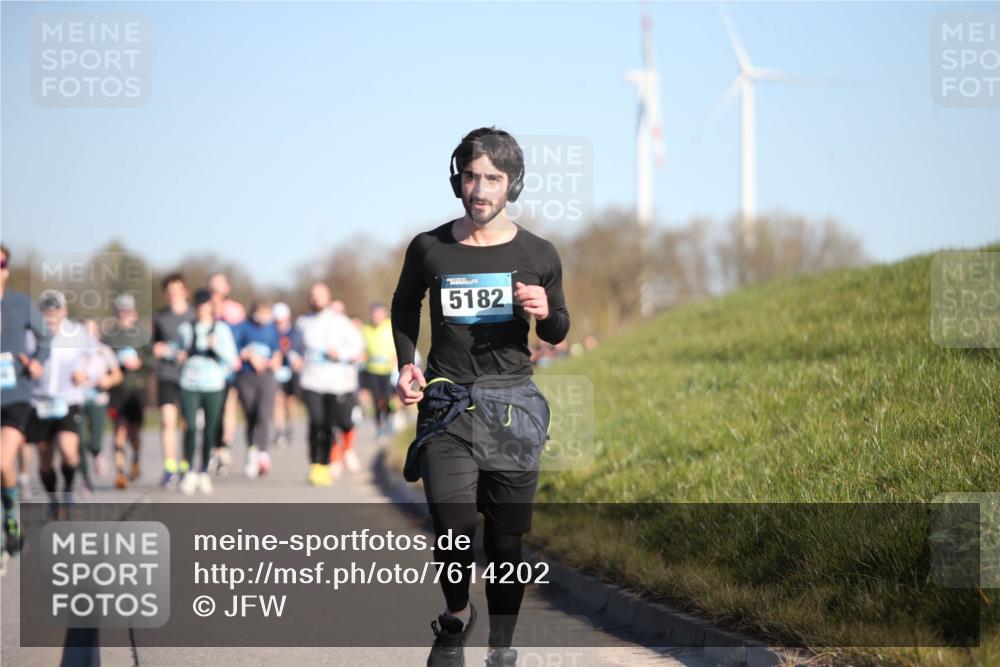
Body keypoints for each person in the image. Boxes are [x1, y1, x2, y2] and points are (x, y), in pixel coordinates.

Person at [391, 128, 570, 667]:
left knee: (506, 548)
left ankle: (501, 649)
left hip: (513, 409)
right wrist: (406, 362)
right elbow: (404, 306)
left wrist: (545, 311)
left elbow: (558, 330)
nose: (481, 189)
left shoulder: (538, 252)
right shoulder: (429, 247)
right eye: (471, 176)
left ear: (512, 184)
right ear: (457, 180)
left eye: (493, 178)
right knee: (453, 530)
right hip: (447, 405)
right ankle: (453, 618)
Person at [28, 291, 103, 518]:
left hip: (68, 400)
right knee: (45, 460)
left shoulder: (78, 334)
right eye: (47, 311)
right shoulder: (30, 334)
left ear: (64, 311)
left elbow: (98, 358)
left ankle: (69, 490)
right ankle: (53, 498)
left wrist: (86, 373)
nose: (51, 316)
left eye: (55, 311)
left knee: (70, 452)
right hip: (38, 401)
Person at [0, 244, 50, 556]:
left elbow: (45, 338)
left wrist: (37, 362)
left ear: (5, 269)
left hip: (16, 395)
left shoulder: (20, 303)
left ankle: (10, 514)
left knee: (3, 461)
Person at [292, 282, 363, 486]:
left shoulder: (339, 321)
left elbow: (357, 347)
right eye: (312, 295)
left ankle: (326, 462)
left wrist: (339, 353)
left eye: (320, 295)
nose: (315, 299)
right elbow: (294, 348)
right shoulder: (303, 322)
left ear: (328, 297)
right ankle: (316, 465)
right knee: (316, 421)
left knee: (329, 424)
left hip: (334, 382)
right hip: (311, 380)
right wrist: (294, 358)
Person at [176, 289, 238, 495]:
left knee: (210, 429)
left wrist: (216, 347)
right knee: (191, 428)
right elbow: (175, 352)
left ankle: (203, 471)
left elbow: (231, 359)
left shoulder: (221, 330)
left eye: (206, 304)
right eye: (199, 304)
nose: (203, 308)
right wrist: (175, 354)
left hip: (213, 385)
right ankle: (189, 471)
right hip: (189, 384)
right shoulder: (186, 329)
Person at [103, 293, 151, 489]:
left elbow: (152, 361)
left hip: (137, 390)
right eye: (121, 310)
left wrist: (140, 364)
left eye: (128, 310)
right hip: (117, 391)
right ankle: (120, 473)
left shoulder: (143, 335)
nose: (124, 314)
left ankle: (136, 459)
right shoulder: (109, 336)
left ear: (134, 312)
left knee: (133, 434)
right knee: (119, 431)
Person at [151, 272, 195, 487]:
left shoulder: (194, 316)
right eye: (169, 292)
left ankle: (186, 465)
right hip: (167, 374)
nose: (173, 295)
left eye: (177, 290)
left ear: (185, 291)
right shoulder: (159, 317)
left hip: (191, 376)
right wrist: (157, 349)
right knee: (167, 421)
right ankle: (170, 467)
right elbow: (153, 344)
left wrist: (189, 353)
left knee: (188, 423)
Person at [232, 298, 281, 478]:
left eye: (267, 314)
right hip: (247, 376)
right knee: (251, 415)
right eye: (261, 313)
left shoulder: (271, 328)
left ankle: (263, 453)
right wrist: (249, 356)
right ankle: (251, 451)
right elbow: (235, 348)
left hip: (267, 376)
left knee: (264, 414)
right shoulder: (243, 327)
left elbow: (276, 349)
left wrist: (275, 359)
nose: (264, 318)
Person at [207, 272, 245, 476]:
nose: (215, 293)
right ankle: (214, 448)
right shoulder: (204, 309)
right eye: (212, 288)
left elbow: (241, 336)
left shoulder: (235, 310)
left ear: (226, 289)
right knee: (212, 411)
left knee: (229, 406)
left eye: (219, 288)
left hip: (229, 368)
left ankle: (225, 446)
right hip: (208, 370)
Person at [78, 319, 123, 492]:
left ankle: (97, 453)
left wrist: (109, 380)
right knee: (79, 441)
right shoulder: (74, 351)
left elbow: (117, 375)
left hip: (98, 400)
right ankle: (85, 479)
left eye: (92, 330)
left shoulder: (104, 351)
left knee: (95, 442)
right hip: (78, 400)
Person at [361, 303, 397, 441]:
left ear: (384, 315)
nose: (376, 318)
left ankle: (388, 420)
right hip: (372, 369)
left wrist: (396, 358)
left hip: (388, 369)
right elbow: (361, 345)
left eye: (379, 315)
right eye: (374, 315)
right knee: (376, 399)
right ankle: (379, 426)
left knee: (387, 398)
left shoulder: (391, 326)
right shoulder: (365, 328)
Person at [272, 302, 300, 447]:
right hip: (277, 371)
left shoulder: (294, 331)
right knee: (278, 401)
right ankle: (279, 430)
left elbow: (299, 349)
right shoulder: (272, 331)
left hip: (291, 371)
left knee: (290, 402)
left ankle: (291, 429)